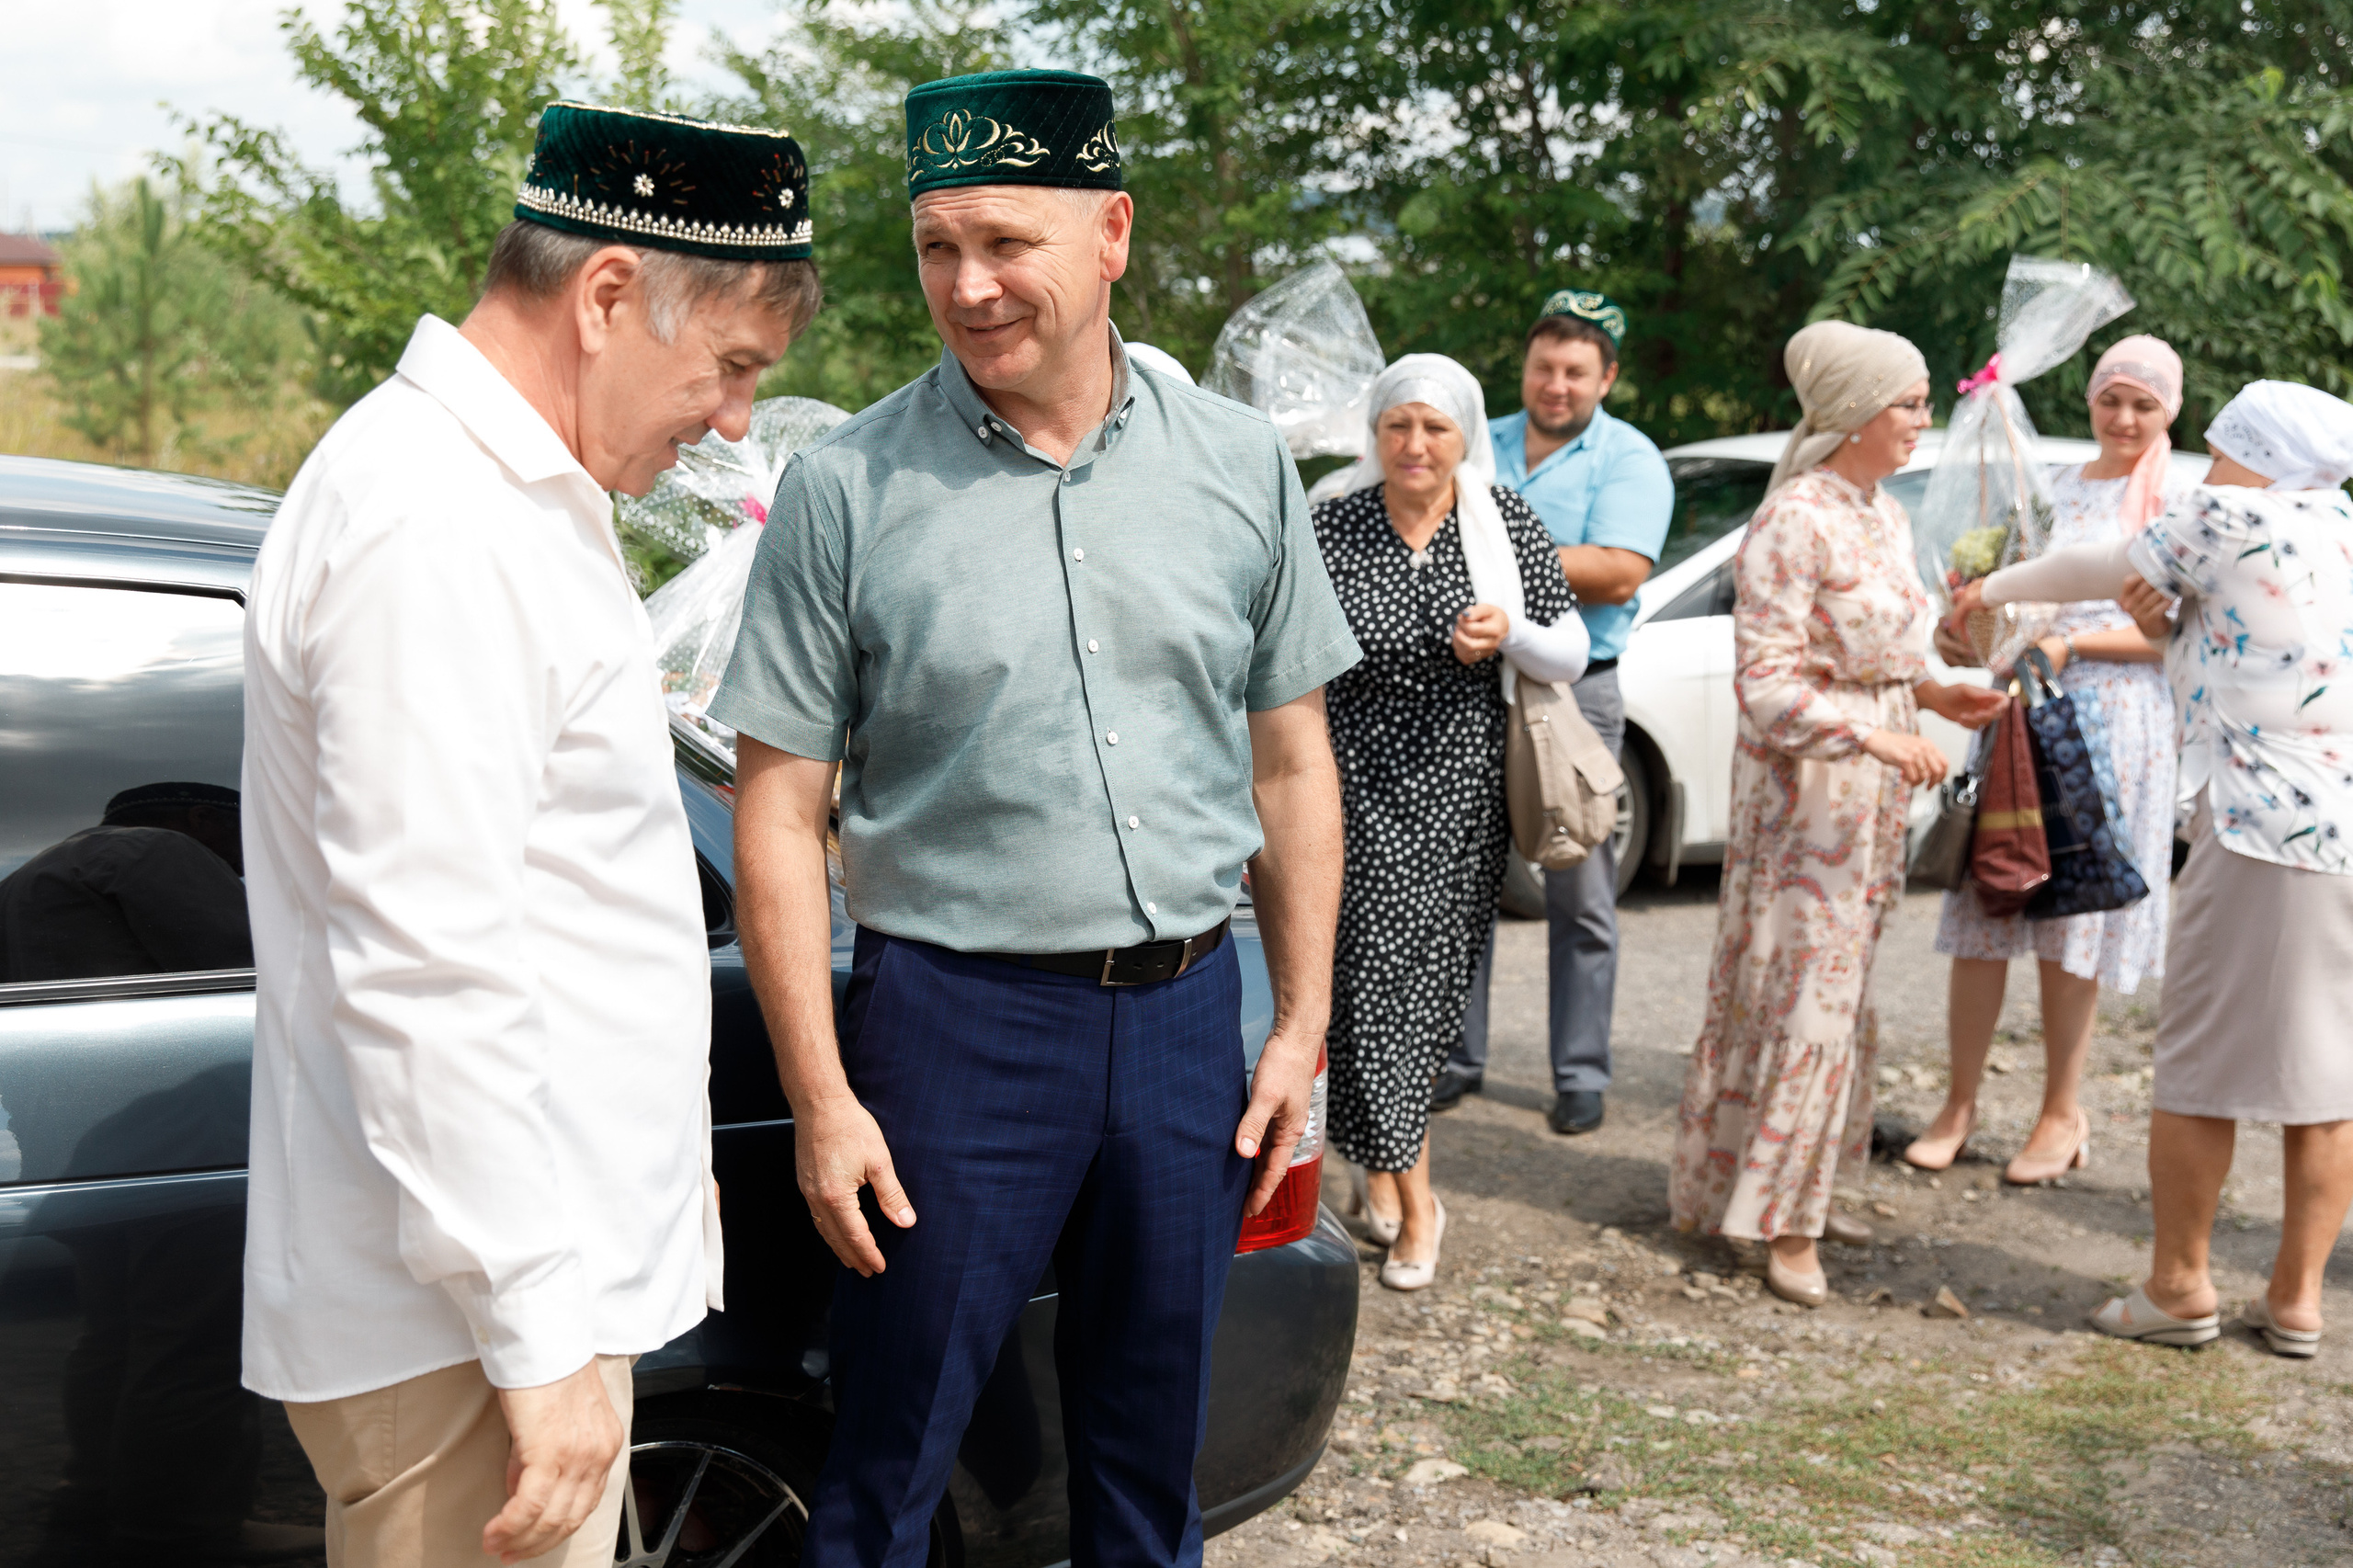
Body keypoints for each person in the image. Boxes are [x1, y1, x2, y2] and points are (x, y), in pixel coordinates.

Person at [709, 70, 1358, 1568]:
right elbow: (780, 810)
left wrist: (1299, 1019)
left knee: (1145, 1466)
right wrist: (823, 1099)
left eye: (1005, 242)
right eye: (938, 248)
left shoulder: (1238, 464)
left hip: (1194, 1017)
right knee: (887, 1467)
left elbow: (1292, 768)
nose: (968, 284)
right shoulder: (849, 486)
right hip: (954, 1035)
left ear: (1113, 232)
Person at [240, 102, 819, 1567]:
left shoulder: (499, 496)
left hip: (496, 1312)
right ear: (609, 294)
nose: (735, 421)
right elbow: (430, 968)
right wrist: (537, 1332)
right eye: (733, 366)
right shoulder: (435, 522)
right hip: (468, 1334)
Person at [1965, 381, 2353, 1354]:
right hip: (2341, 821)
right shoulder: (2336, 525)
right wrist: (2172, 622)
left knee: (2195, 1064)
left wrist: (1990, 590)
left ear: (2252, 451)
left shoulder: (2231, 510)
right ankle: (2297, 1298)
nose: (2205, 466)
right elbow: (2248, 654)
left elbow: (2093, 561)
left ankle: (2179, 1284)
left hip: (2258, 824)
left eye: (2219, 445)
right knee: (2326, 1071)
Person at [1669, 321, 2006, 1308]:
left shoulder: (1880, 514)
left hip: (1868, 810)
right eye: (1906, 403)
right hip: (1804, 803)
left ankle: (1808, 1181)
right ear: (1856, 412)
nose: (1920, 420)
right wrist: (1873, 736)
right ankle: (1782, 1219)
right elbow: (1765, 686)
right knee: (1798, 996)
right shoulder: (1793, 518)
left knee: (1840, 995)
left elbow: (1883, 650)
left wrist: (1936, 692)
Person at [1314, 355, 1589, 1289]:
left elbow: (1570, 649)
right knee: (1352, 986)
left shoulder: (1498, 521)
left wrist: (1504, 628)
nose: (1415, 444)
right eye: (1399, 426)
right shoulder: (1333, 521)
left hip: (1456, 799)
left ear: (1465, 436)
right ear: (1376, 434)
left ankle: (1406, 1187)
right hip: (1345, 787)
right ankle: (1398, 1184)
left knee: (1418, 997)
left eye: (1434, 428)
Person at [1908, 335, 2192, 1184]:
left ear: (2171, 409)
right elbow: (2017, 590)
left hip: (2119, 718)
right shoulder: (2058, 489)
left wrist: (2071, 643)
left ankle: (2062, 1111)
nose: (2126, 418)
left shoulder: (2181, 499)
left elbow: (2174, 629)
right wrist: (1974, 619)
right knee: (1986, 898)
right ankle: (1959, 1101)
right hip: (2024, 706)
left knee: (2072, 913)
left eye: (2144, 403)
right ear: (2092, 402)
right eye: (2113, 399)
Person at [1431, 290, 1673, 1137]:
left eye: (1576, 371)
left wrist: (1483, 559)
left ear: (1607, 377)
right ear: (1525, 367)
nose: (1557, 385)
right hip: (1465, 685)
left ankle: (1579, 1071)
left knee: (1579, 883)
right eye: (1544, 367)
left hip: (1574, 691)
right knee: (1464, 879)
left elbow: (1618, 571)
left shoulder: (1631, 459)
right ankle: (1457, 1057)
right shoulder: (1477, 438)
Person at [0, 782, 250, 983]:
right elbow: (239, 965)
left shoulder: (22, 878)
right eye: (246, 837)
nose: (242, 867)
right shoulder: (157, 846)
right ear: (202, 817)